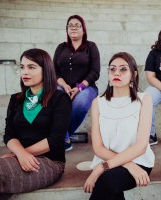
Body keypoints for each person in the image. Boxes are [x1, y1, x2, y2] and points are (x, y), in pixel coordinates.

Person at [0, 48, 71, 199]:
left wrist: (20, 155)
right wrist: (20, 154)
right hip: (21, 158)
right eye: (22, 67)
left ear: (46, 70)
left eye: (31, 67)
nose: (24, 72)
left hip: (49, 162)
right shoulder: (16, 99)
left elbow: (55, 140)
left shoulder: (60, 99)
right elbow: (9, 134)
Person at [83, 52, 155, 200]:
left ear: (133, 74)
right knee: (110, 182)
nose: (117, 72)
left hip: (139, 163)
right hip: (115, 162)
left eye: (123, 69)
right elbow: (98, 148)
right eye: (112, 69)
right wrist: (127, 164)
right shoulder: (98, 103)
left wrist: (100, 169)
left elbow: (141, 146)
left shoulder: (144, 100)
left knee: (107, 180)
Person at [53, 15, 100, 151]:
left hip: (87, 87)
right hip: (62, 85)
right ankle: (64, 138)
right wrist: (64, 85)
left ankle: (61, 136)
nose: (73, 27)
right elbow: (54, 70)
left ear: (83, 30)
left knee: (80, 102)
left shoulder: (91, 46)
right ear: (67, 30)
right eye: (70, 25)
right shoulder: (61, 47)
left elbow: (95, 71)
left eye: (77, 25)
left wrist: (79, 87)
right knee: (55, 96)